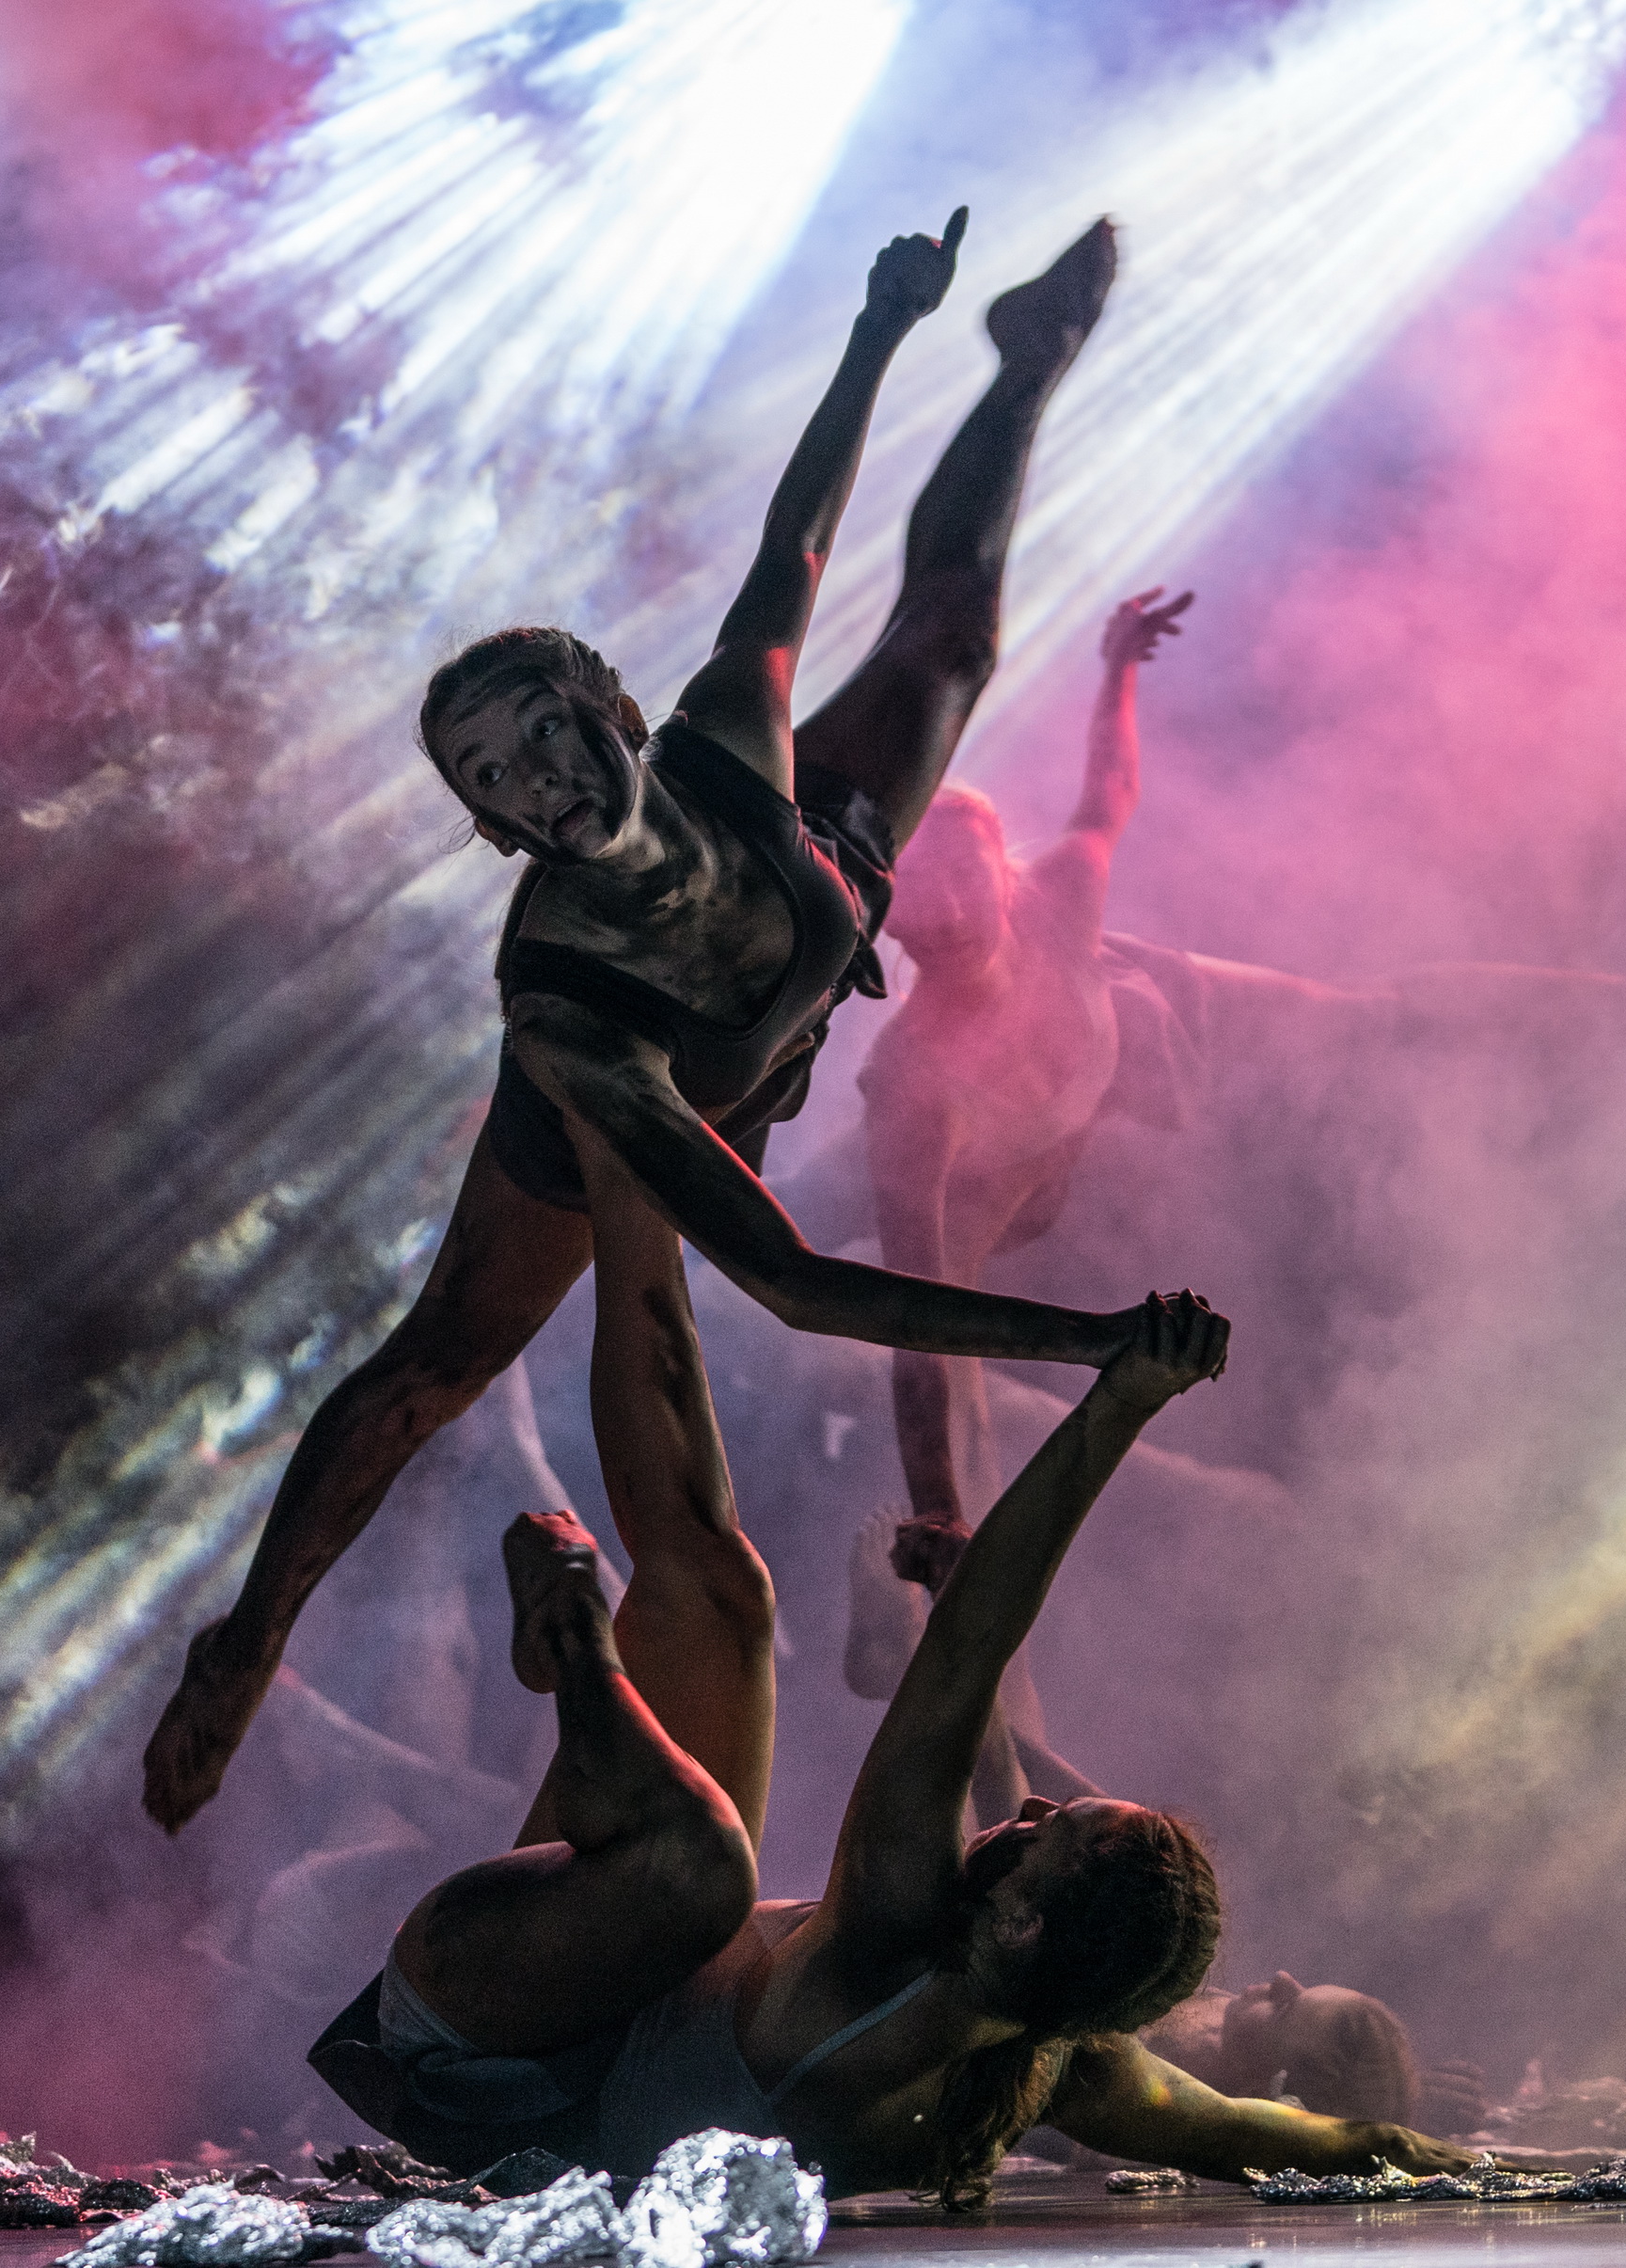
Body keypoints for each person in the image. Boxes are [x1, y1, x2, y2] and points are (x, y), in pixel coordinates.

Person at [146, 212, 1165, 1832]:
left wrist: (884, 326)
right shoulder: (568, 1011)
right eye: (494, 780)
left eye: (542, 734)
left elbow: (799, 538)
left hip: (807, 880)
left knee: (953, 636)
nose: (534, 780)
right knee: (440, 1360)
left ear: (615, 710)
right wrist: (1099, 1341)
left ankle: (1026, 360)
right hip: (639, 1102)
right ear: (496, 830)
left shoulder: (726, 726)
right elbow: (791, 1278)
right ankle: (246, 1635)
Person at [308, 1187, 1475, 2202]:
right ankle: (627, 1183)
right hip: (574, 2006)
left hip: (471, 2036)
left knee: (704, 1864)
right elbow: (1279, 2135)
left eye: (1048, 1835)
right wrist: (1487, 2166)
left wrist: (1121, 1402)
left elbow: (969, 1647)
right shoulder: (1061, 2059)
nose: (1026, 1813)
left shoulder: (892, 1933)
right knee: (723, 1594)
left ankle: (573, 1638)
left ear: (1019, 1923)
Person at [856, 587, 1626, 1539]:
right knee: (931, 1314)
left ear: (1002, 870)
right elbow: (912, 1330)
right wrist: (936, 1506)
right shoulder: (915, 1089)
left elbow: (1110, 789)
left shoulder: (1059, 899)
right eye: (916, 891)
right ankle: (953, 1557)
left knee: (1370, 1010)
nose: (949, 913)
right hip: (1020, 1167)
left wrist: (1118, 667)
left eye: (961, 875)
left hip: (1124, 1029)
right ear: (884, 915)